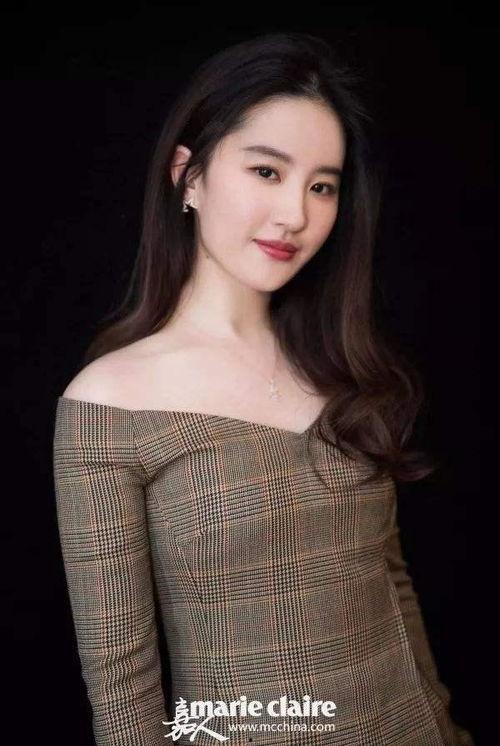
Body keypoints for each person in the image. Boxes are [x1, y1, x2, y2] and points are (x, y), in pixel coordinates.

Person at [52, 31, 474, 746]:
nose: (295, 215)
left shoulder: (338, 365)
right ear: (189, 177)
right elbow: (123, 690)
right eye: (267, 171)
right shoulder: (109, 404)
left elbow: (389, 586)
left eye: (322, 186)